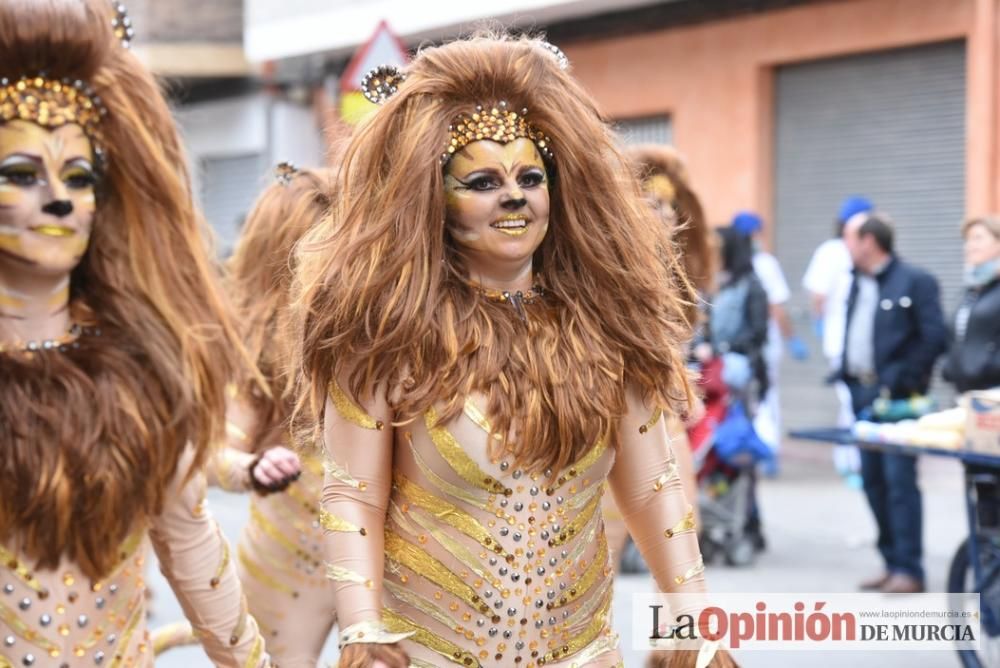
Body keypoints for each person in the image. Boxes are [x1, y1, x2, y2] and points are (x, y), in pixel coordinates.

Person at [293, 33, 733, 668]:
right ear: (435, 203)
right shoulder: (385, 337)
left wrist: (694, 616)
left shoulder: (608, 328)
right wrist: (362, 627)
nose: (514, 196)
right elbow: (354, 494)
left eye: (531, 176)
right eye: (482, 181)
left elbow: (652, 489)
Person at [0, 1, 269, 665]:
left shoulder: (143, 372)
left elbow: (190, 543)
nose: (58, 200)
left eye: (79, 177)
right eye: (22, 175)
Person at [602, 144, 713, 570]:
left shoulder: (677, 279)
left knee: (683, 548)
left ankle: (680, 638)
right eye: (652, 204)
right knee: (598, 554)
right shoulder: (605, 275)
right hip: (612, 427)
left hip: (665, 424)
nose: (664, 214)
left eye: (668, 205)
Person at [839, 211, 947, 594]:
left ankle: (910, 569)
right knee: (873, 482)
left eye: (850, 238)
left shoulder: (915, 281)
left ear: (869, 242)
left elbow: (934, 337)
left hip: (900, 402)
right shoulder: (857, 283)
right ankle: (891, 562)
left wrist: (901, 379)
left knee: (900, 483)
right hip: (863, 396)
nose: (845, 247)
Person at [802, 196, 873, 484]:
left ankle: (852, 460)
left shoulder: (867, 250)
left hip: (864, 341)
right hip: (840, 341)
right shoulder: (831, 251)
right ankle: (850, 462)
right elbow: (817, 294)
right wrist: (819, 320)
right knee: (850, 402)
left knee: (855, 403)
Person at [730, 211, 806, 469]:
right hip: (761, 344)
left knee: (742, 398)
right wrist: (792, 337)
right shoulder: (765, 263)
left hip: (733, 348)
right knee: (765, 395)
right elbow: (776, 307)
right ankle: (767, 449)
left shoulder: (728, 262)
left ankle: (747, 448)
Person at [942, 215, 1000, 393]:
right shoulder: (972, 290)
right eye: (967, 240)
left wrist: (989, 366)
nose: (969, 246)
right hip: (966, 391)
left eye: (978, 238)